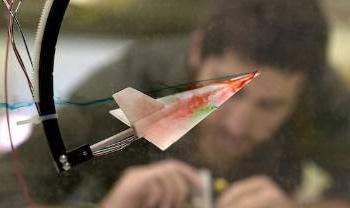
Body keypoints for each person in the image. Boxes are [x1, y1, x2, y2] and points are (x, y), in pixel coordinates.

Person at [0, 0, 349, 207]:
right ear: (197, 55)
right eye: (226, 93)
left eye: (270, 106)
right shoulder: (125, 89)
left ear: (305, 91)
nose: (238, 125)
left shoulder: (321, 91)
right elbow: (11, 185)